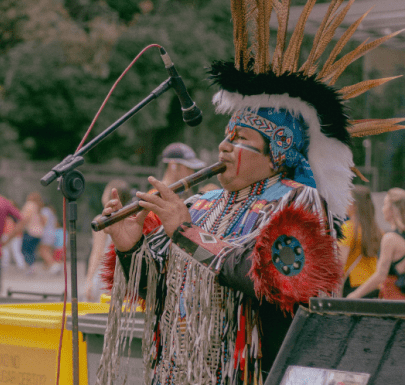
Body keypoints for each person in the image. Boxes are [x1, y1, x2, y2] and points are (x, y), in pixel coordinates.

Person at [95, 1, 403, 383]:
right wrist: (130, 248)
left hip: (250, 374)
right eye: (227, 136)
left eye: (241, 139)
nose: (224, 146)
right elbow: (153, 288)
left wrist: (186, 233)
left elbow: (274, 279)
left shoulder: (300, 202)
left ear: (277, 154)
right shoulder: (199, 203)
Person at [347, 188, 405, 300]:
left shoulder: (390, 239)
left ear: (392, 209)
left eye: (384, 204)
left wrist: (354, 295)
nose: (382, 209)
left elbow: (380, 275)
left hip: (394, 301)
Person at [83, 179, 132, 302]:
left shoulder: (101, 221)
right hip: (122, 273)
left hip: (104, 273)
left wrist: (88, 280)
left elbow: (98, 252)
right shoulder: (129, 220)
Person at [339, 185, 381, 298]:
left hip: (353, 287)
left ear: (355, 205)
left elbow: (340, 263)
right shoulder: (377, 230)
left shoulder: (348, 228)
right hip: (373, 287)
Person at [18, 191, 45, 273]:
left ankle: (30, 266)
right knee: (32, 251)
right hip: (39, 232)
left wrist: (20, 227)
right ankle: (32, 265)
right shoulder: (39, 207)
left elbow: (25, 217)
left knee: (24, 250)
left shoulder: (29, 205)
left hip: (30, 231)